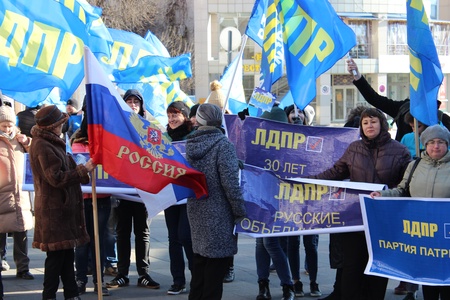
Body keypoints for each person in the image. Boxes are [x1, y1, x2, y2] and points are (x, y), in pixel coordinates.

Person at [310, 108, 411, 300]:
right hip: (356, 219)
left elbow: (405, 185)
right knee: (351, 268)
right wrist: (306, 180)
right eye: (365, 123)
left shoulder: (400, 151)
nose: (369, 126)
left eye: (373, 121)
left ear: (382, 124)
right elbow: (335, 173)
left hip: (384, 220)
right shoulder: (354, 148)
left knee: (378, 268)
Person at [370, 124, 450, 300]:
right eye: (431, 142)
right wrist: (382, 195)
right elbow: (401, 190)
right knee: (428, 280)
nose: (435, 146)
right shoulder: (415, 165)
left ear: (447, 144)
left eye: (440, 142)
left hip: (446, 236)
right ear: (425, 145)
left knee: (447, 282)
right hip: (422, 234)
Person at [29, 105, 96, 300]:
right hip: (55, 210)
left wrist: (82, 169)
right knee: (56, 259)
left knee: (66, 257)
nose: (63, 127)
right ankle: (49, 296)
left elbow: (65, 168)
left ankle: (71, 294)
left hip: (61, 210)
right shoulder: (43, 144)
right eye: (60, 124)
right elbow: (56, 178)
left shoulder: (52, 142)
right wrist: (83, 171)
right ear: (53, 126)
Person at [185, 103, 246, 300]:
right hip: (219, 214)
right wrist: (239, 211)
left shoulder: (191, 144)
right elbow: (230, 184)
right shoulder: (223, 144)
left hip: (197, 210)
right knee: (215, 272)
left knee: (200, 264)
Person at [106, 89, 160, 290]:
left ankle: (143, 273)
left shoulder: (149, 127)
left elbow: (158, 152)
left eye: (136, 101)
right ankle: (122, 273)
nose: (132, 104)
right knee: (122, 232)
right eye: (128, 101)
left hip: (143, 189)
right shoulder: (116, 126)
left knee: (142, 232)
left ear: (141, 105)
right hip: (122, 188)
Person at [318, 105, 367, 300]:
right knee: (349, 253)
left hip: (345, 204)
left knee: (347, 253)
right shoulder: (353, 144)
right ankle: (343, 289)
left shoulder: (349, 137)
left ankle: (342, 290)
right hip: (348, 203)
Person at [347, 58, 450, 142]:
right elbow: (374, 99)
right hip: (403, 163)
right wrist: (357, 75)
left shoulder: (441, 118)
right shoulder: (403, 108)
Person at [255, 106, 296, 300]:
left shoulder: (289, 144)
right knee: (261, 243)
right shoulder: (257, 143)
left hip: (279, 200)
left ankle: (286, 285)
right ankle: (264, 285)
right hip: (258, 198)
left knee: (269, 242)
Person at [283, 104, 321, 297]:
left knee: (311, 244)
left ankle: (314, 281)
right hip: (289, 198)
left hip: (311, 199)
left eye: (300, 113)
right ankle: (296, 281)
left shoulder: (315, 137)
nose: (296, 116)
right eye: (292, 113)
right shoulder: (281, 139)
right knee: (292, 243)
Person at [71, 112, 111, 296]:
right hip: (82, 200)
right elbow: (77, 167)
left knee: (99, 241)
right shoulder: (77, 142)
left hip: (101, 199)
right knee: (82, 242)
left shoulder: (109, 140)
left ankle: (98, 280)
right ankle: (80, 280)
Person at [0, 105, 34, 282]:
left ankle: (23, 268)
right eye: (4, 125)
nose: (7, 128)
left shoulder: (21, 141)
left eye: (10, 125)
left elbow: (36, 155)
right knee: (0, 233)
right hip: (1, 195)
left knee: (21, 233)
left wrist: (28, 143)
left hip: (20, 195)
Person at [164, 101, 194, 295]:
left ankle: (197, 275)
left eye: (175, 115)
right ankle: (178, 280)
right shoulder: (163, 138)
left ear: (185, 116)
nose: (172, 119)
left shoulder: (193, 136)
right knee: (173, 238)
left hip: (188, 194)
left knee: (186, 236)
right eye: (169, 116)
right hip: (169, 193)